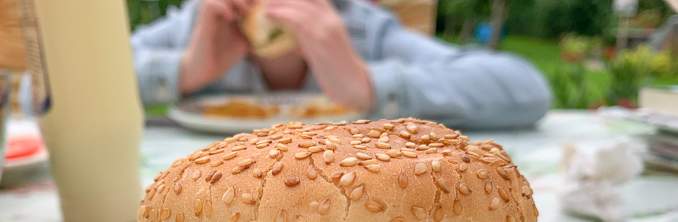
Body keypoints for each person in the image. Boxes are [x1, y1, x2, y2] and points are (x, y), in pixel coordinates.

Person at [130, 0, 552, 129]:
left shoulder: (362, 30)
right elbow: (76, 88)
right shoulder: (200, 23)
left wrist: (368, 83)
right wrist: (182, 72)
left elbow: (525, 87)